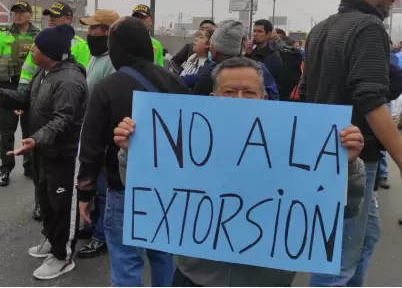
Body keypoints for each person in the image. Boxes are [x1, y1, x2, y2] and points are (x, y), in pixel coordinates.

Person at [113, 57, 366, 287]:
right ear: (213, 97)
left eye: (249, 93)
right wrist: (135, 151)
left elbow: (346, 208)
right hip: (196, 278)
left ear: (264, 98)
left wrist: (349, 165)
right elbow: (147, 192)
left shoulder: (294, 144)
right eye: (230, 92)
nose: (239, 100)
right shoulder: (192, 140)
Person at [76, 16, 188, 286]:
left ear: (117, 48)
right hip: (168, 190)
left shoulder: (108, 87)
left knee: (127, 262)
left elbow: (91, 148)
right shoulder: (176, 83)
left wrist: (85, 193)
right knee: (164, 256)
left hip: (125, 189)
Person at [299, 0, 399, 286]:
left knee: (365, 238)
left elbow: (305, 90)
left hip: (328, 152)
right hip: (353, 155)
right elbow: (369, 97)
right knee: (339, 260)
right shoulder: (368, 27)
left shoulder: (322, 27)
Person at [0, 24, 87, 280]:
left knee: (61, 206)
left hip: (63, 154)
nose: (31, 50)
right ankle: (51, 240)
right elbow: (26, 99)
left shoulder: (69, 81)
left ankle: (62, 256)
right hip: (43, 149)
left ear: (49, 52)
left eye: (36, 47)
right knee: (44, 199)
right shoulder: (44, 72)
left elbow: (63, 120)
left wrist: (36, 138)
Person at [22, 1, 90, 221]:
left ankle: (59, 243)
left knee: (57, 188)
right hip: (41, 122)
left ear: (68, 18)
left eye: (56, 16)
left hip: (58, 131)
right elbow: (29, 72)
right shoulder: (41, 42)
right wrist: (15, 98)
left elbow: (71, 90)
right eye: (49, 15)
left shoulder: (77, 47)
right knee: (41, 175)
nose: (50, 19)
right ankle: (42, 207)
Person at [76, 9, 120, 258]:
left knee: (103, 190)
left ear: (108, 32)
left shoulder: (113, 61)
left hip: (103, 137)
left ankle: (100, 236)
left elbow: (109, 105)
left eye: (94, 28)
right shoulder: (96, 56)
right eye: (89, 28)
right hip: (89, 131)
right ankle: (92, 225)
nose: (89, 32)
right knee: (90, 185)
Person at [0, 1, 40, 187]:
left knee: (30, 131)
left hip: (31, 90)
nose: (18, 15)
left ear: (30, 14)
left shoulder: (39, 36)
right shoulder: (2, 33)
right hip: (7, 88)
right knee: (7, 132)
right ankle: (5, 169)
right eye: (15, 12)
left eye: (22, 12)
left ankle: (29, 166)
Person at [191, 20, 280, 100]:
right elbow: (275, 100)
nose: (239, 98)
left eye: (249, 92)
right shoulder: (259, 68)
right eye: (229, 92)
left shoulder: (211, 74)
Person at [246, 19, 284, 87]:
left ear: (268, 34)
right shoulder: (254, 52)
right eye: (254, 31)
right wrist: (248, 55)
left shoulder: (273, 56)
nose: (255, 34)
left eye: (259, 31)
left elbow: (265, 81)